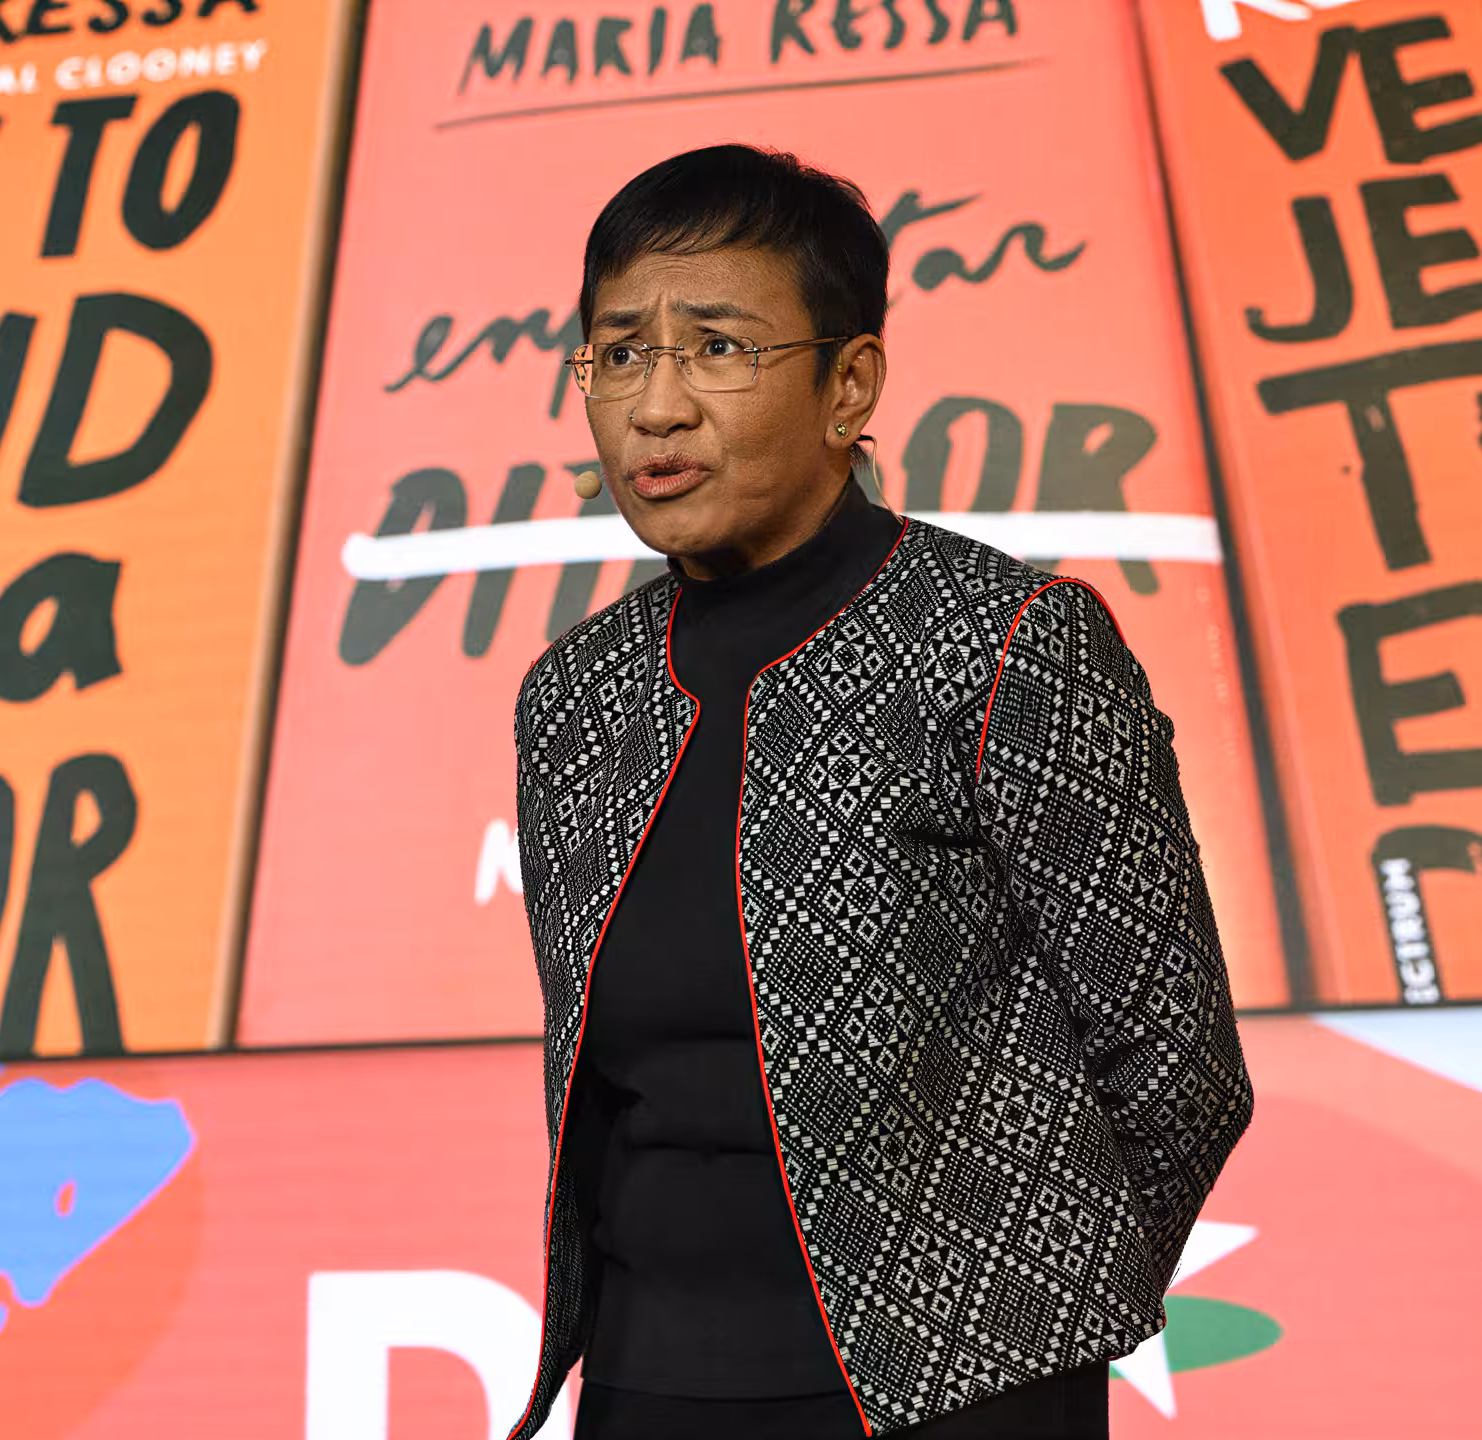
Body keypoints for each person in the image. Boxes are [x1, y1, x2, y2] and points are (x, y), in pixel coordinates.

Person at [503, 145, 1256, 1440]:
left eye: (720, 350)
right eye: (619, 354)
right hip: (646, 1382)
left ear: (850, 384)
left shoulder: (1005, 641)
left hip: (961, 1393)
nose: (657, 408)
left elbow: (1173, 1055)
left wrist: (1012, 1312)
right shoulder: (574, 696)